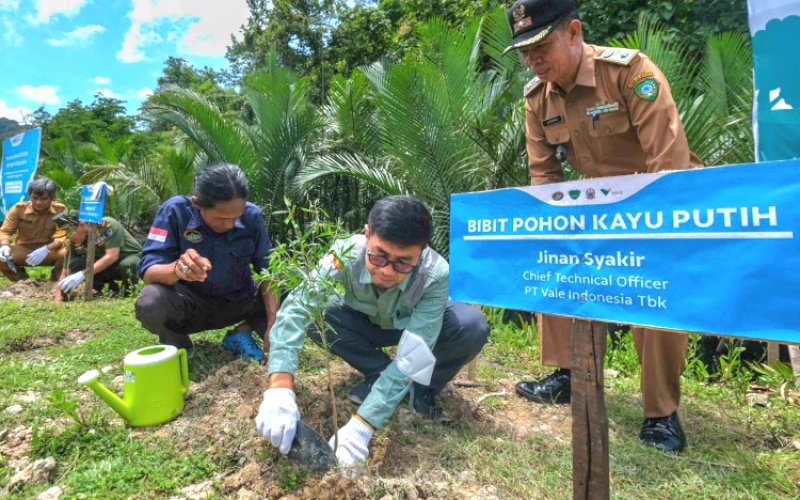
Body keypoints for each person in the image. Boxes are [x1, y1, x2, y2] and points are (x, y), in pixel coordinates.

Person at [504, 0, 703, 452]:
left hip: (661, 204)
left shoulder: (630, 73)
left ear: (574, 31)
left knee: (652, 288)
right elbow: (545, 181)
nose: (533, 59)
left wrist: (640, 225)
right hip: (595, 207)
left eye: (542, 45)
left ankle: (661, 413)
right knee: (553, 253)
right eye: (524, 51)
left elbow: (668, 165)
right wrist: (559, 227)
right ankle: (566, 374)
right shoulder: (538, 99)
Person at [255, 195, 490, 473]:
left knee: (471, 325)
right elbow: (298, 307)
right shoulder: (344, 252)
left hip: (411, 329)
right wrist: (280, 387)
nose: (387, 271)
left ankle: (422, 390)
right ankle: (379, 374)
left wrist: (362, 425)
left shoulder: (435, 274)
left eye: (403, 263)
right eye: (378, 256)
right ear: (367, 235)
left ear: (422, 251)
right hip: (362, 324)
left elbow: (414, 352)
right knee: (316, 314)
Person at [134, 163, 278, 361]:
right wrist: (177, 269)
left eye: (236, 217)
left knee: (294, 289)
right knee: (150, 302)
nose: (229, 225)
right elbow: (149, 272)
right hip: (191, 307)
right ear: (197, 203)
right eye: (220, 218)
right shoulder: (174, 212)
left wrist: (274, 323)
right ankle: (180, 347)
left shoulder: (252, 216)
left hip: (239, 302)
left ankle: (240, 333)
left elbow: (269, 271)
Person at [53, 212, 142, 297]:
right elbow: (66, 269)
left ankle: (129, 291)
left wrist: (83, 274)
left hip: (129, 259)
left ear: (82, 225)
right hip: (106, 267)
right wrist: (60, 294)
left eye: (69, 234)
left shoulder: (108, 224)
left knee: (128, 265)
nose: (68, 238)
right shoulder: (74, 240)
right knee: (76, 263)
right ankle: (98, 290)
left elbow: (112, 256)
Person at [0, 178, 67, 286]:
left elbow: (62, 236)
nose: (38, 202)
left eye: (43, 199)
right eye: (34, 198)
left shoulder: (60, 210)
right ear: (30, 196)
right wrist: (4, 246)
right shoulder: (18, 209)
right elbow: (6, 231)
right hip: (24, 250)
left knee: (67, 253)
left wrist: (46, 249)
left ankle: (57, 283)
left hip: (50, 250)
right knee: (1, 256)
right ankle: (23, 282)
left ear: (53, 198)